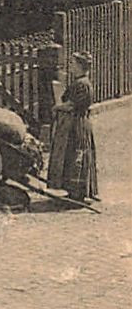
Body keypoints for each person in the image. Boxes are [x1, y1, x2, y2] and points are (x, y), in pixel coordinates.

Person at [48, 52, 99, 203]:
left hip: (78, 124)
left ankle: (77, 192)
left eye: (73, 63)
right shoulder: (79, 82)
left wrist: (57, 107)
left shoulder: (82, 84)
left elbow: (72, 105)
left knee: (76, 154)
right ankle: (73, 190)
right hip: (75, 123)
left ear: (80, 66)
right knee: (72, 154)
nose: (70, 66)